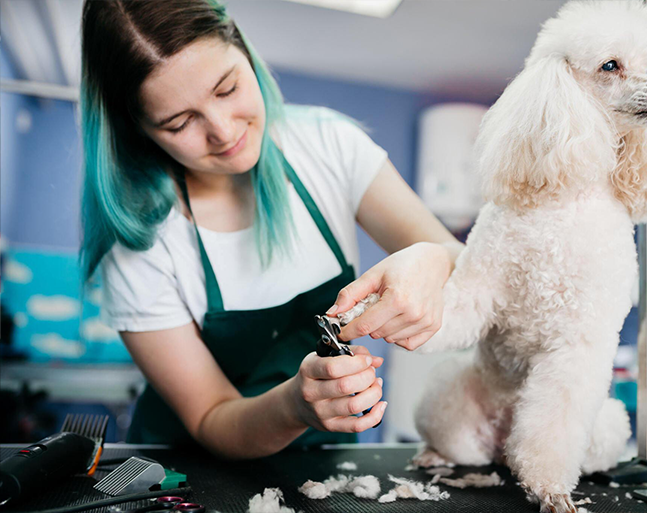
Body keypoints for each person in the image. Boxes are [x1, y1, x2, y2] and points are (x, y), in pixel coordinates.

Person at [79, 0, 463, 459]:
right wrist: (296, 405)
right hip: (188, 472)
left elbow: (460, 259)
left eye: (228, 88)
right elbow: (210, 416)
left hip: (323, 461)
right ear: (138, 130)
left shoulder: (328, 146)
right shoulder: (138, 244)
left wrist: (434, 258)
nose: (222, 132)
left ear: (244, 51)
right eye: (180, 122)